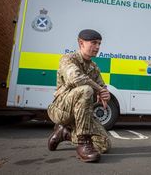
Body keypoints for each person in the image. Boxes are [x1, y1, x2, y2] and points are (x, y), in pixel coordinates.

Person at [47, 29, 111, 162]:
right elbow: (75, 78)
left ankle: (64, 133)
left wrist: (105, 94)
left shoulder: (94, 67)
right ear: (81, 43)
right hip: (61, 110)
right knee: (86, 90)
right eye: (94, 43)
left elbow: (102, 86)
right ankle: (83, 143)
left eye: (99, 43)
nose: (97, 47)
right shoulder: (68, 58)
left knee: (104, 144)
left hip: (81, 115)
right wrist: (98, 89)